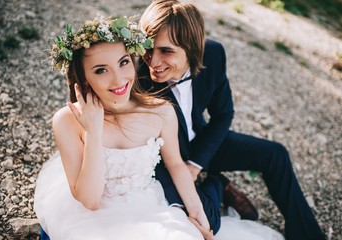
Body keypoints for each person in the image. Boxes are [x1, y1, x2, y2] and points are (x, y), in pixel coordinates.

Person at [35, 15, 285, 240]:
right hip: (93, 219)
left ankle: (215, 185)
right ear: (83, 78)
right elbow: (89, 201)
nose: (119, 79)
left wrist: (198, 216)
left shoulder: (161, 111)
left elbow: (176, 166)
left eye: (124, 62)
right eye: (101, 70)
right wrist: (93, 130)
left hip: (148, 206)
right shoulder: (67, 120)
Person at [137, 1, 326, 239]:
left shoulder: (214, 55)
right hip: (163, 159)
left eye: (166, 51)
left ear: (192, 48)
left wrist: (196, 164)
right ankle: (216, 184)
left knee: (275, 154)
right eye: (148, 48)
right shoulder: (136, 75)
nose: (153, 62)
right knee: (201, 225)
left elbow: (223, 114)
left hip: (201, 143)